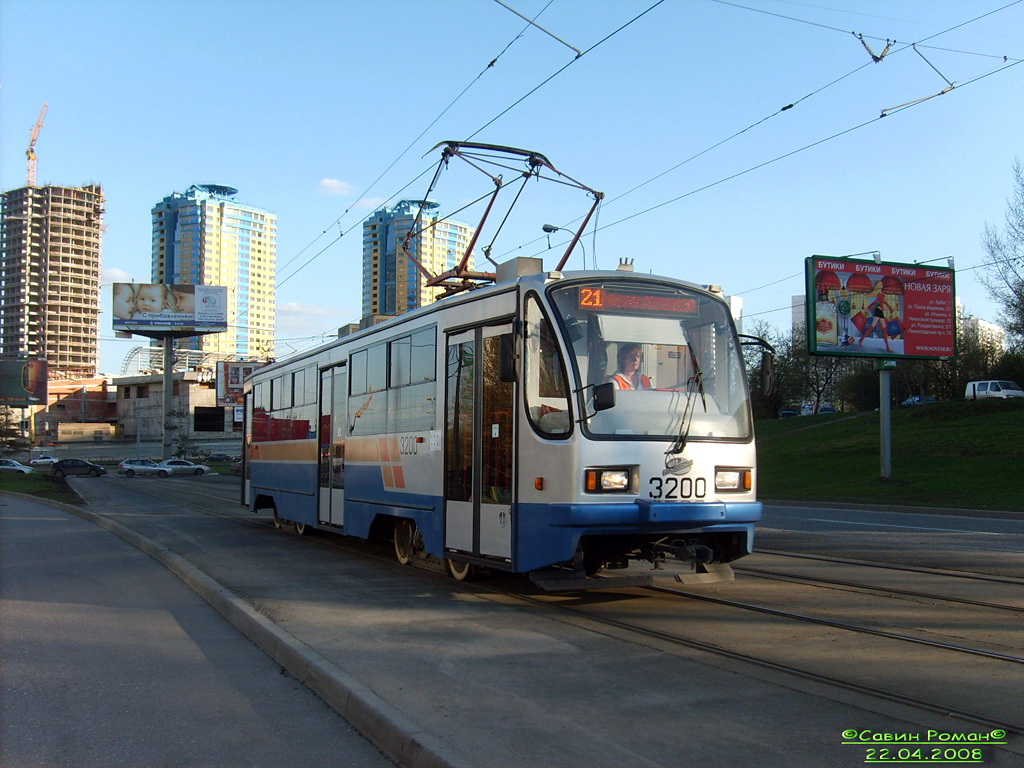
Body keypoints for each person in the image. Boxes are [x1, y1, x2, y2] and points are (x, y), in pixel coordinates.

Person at [857, 284, 894, 352]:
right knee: (883, 329)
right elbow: (883, 302)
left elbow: (877, 302)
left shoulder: (880, 294)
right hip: (879, 311)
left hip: (879, 311)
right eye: (882, 285)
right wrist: (890, 308)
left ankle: (861, 339)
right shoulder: (880, 294)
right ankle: (887, 347)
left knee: (873, 327)